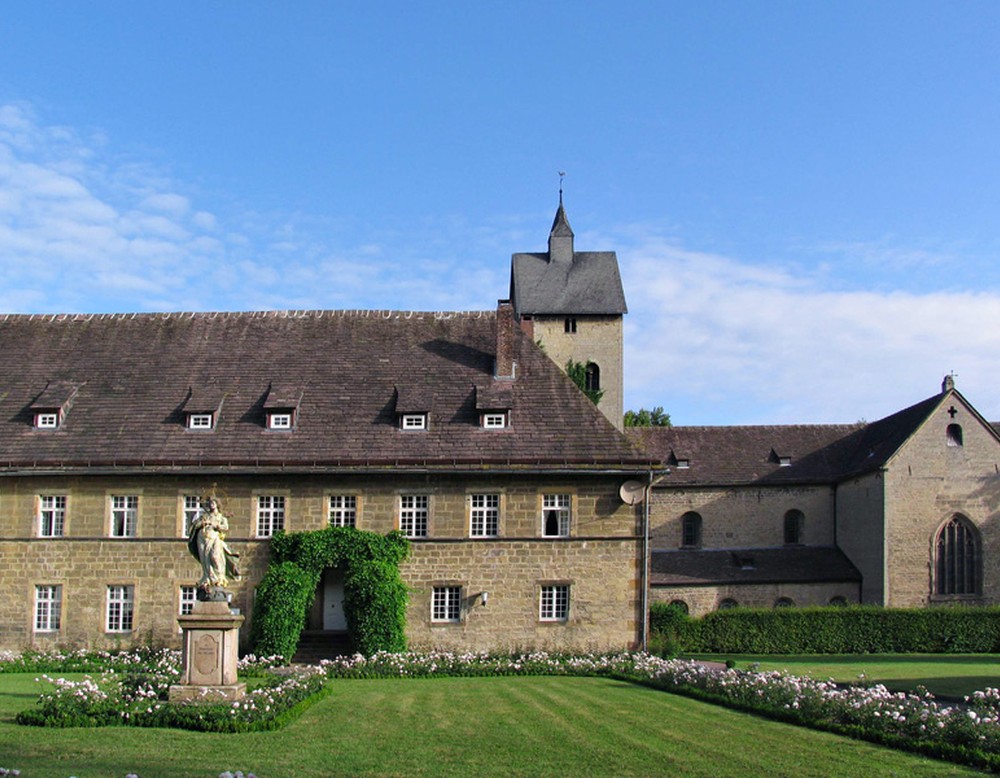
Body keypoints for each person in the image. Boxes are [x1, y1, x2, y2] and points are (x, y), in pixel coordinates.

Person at [187, 496, 241, 590]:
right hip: (202, 538)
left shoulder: (221, 517)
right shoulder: (205, 516)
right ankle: (208, 578)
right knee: (205, 559)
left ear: (217, 504)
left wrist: (217, 525)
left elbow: (225, 527)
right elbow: (196, 525)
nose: (211, 504)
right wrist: (204, 523)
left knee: (215, 556)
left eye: (213, 503)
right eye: (210, 503)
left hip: (214, 538)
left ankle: (219, 578)